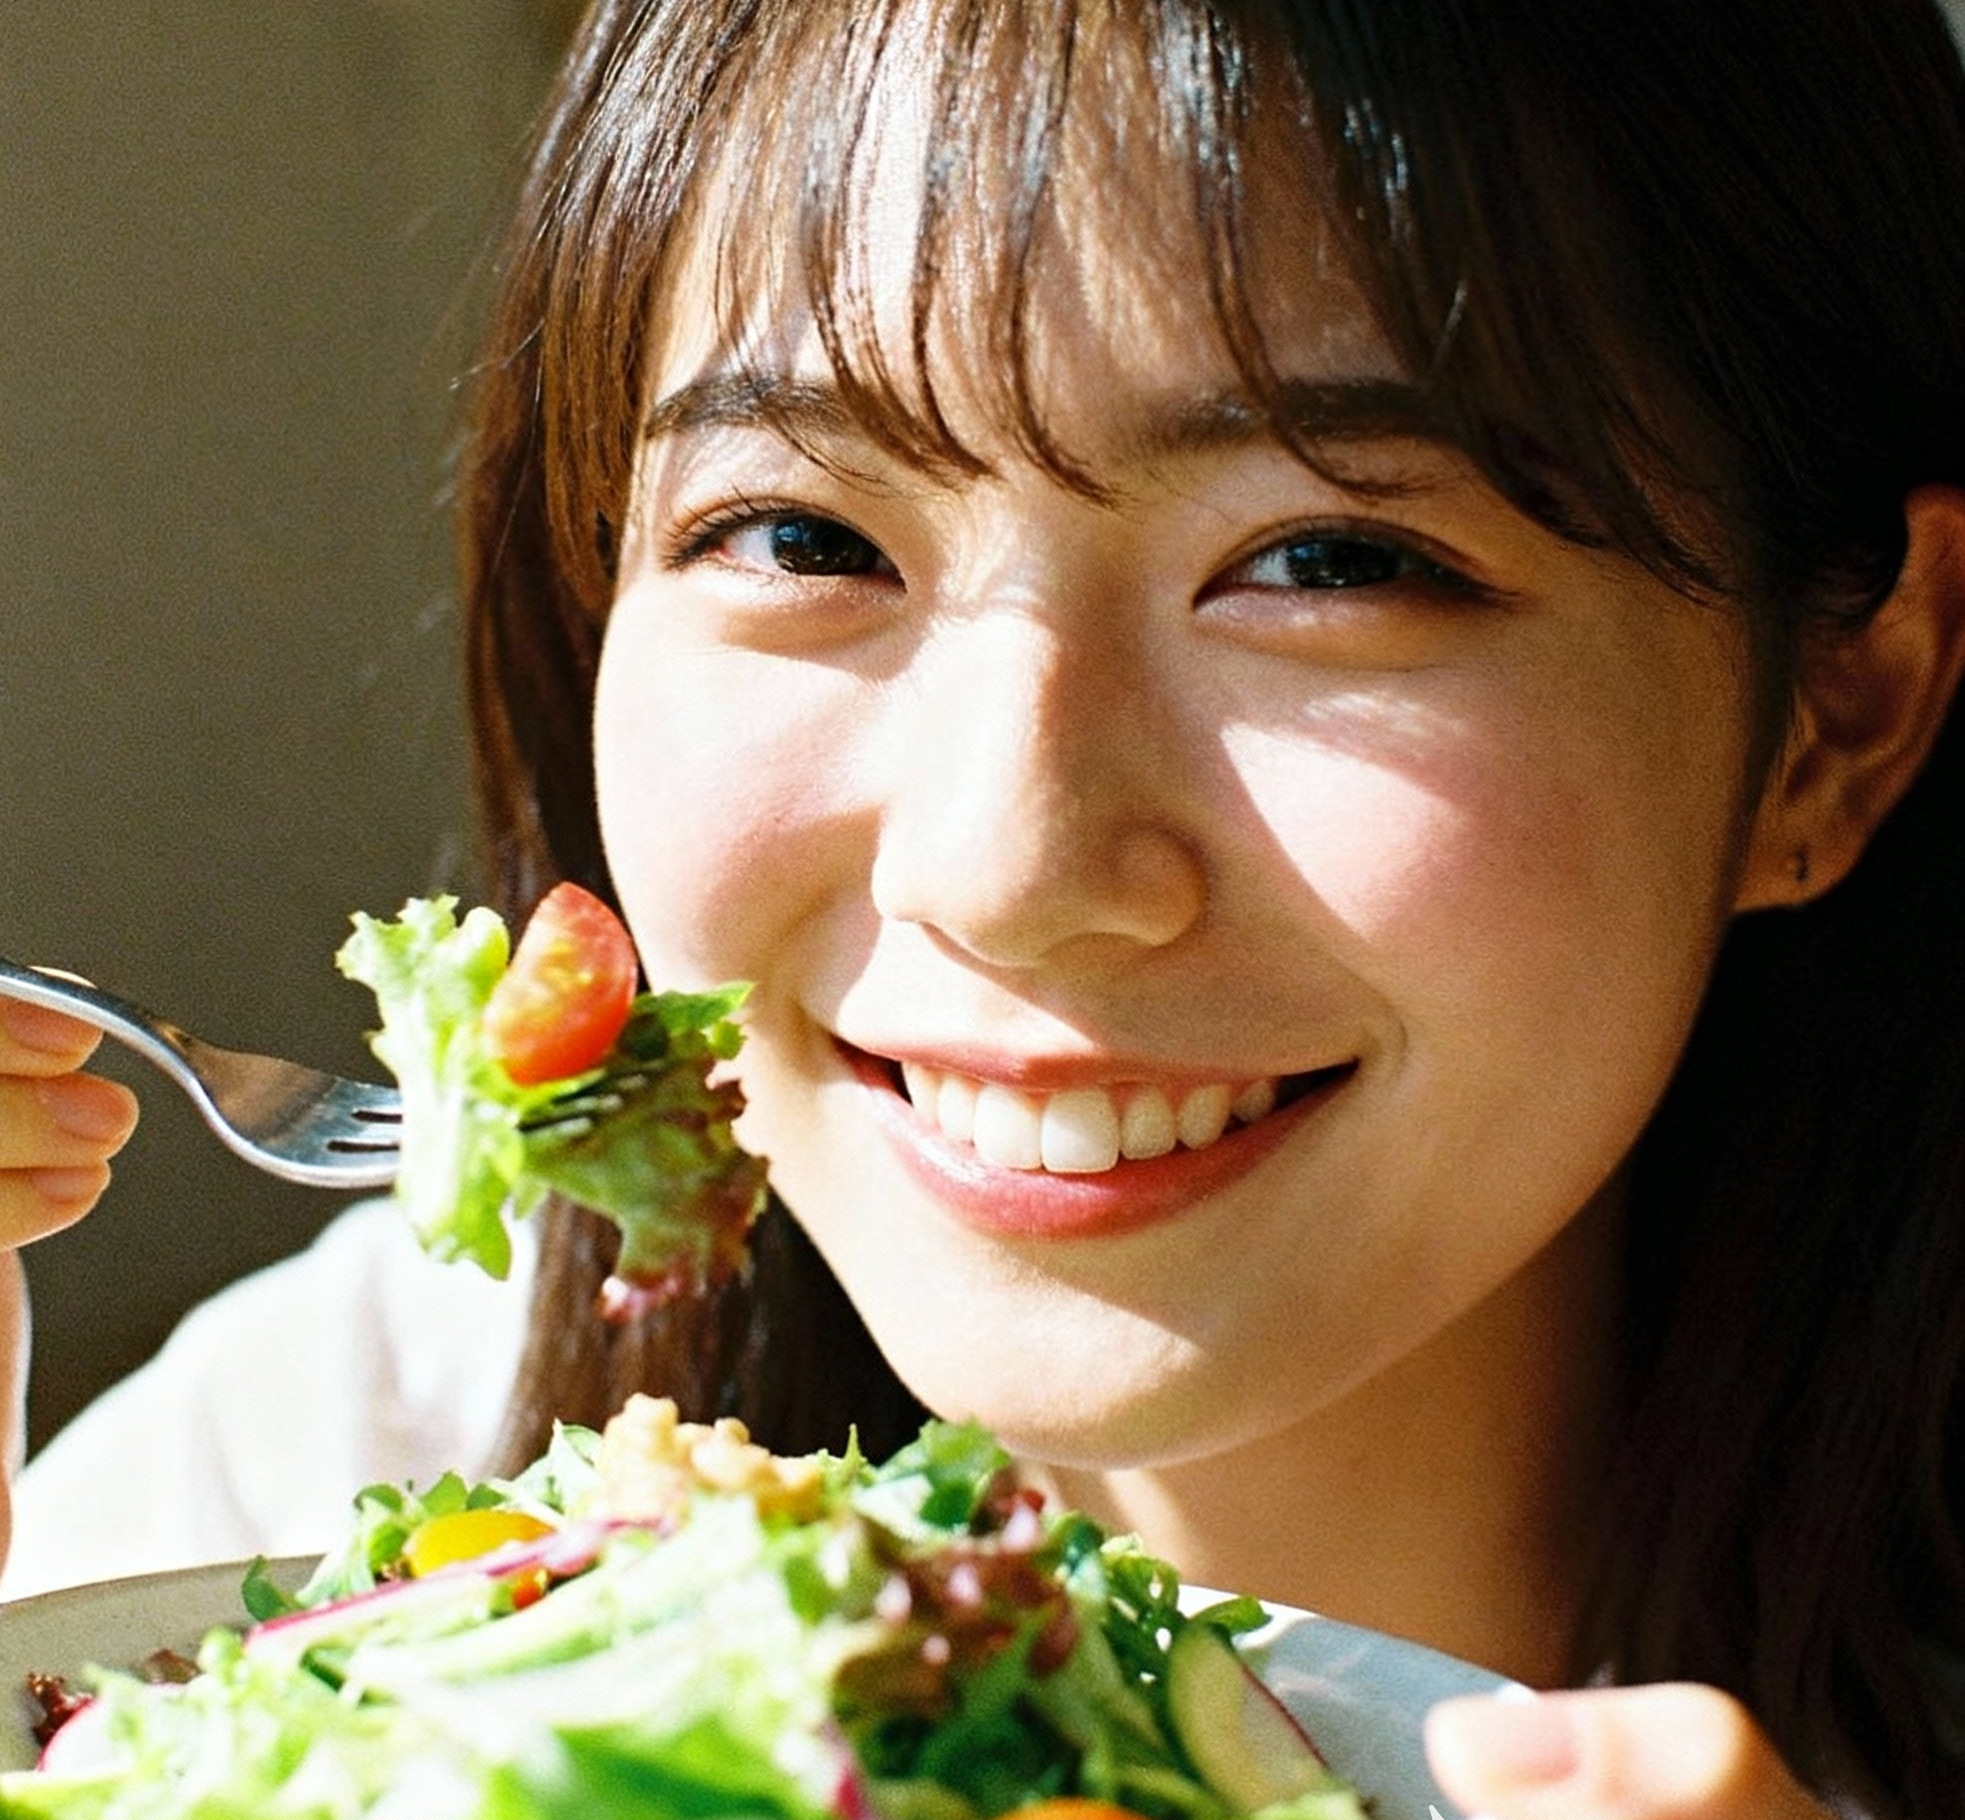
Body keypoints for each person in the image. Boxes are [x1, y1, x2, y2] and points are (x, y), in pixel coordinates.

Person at [6, 0, 1965, 1814]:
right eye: (802, 534)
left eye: (1326, 558)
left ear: (1835, 714)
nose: (1003, 866)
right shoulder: (310, 1511)